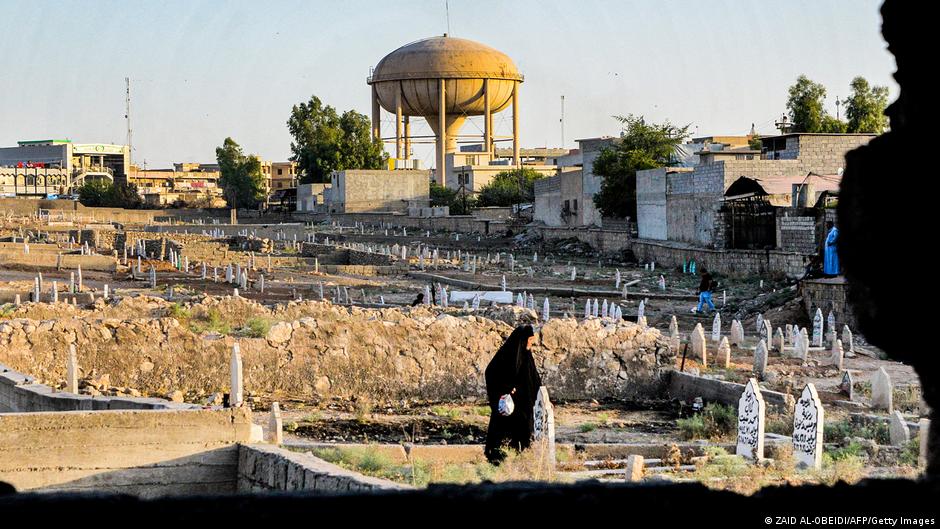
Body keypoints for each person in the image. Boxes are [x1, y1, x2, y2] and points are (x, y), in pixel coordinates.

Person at [484, 325, 542, 465]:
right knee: (504, 432)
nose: (531, 343)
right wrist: (507, 388)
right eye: (529, 340)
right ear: (522, 340)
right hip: (510, 405)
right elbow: (491, 373)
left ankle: (519, 458)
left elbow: (534, 379)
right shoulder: (507, 355)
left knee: (523, 431)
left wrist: (543, 398)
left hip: (524, 404)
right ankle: (499, 458)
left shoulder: (527, 356)